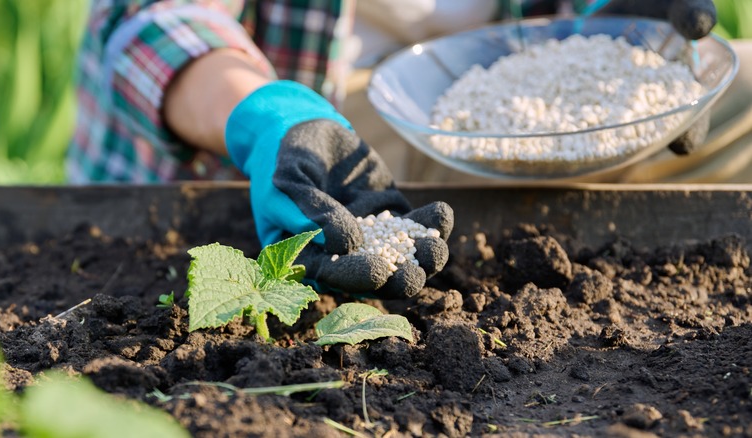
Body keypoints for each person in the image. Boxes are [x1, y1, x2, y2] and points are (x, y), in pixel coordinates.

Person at [68, 0, 717, 297]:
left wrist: (613, 32)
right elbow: (148, 18)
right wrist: (267, 117)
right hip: (264, 101)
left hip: (481, 100)